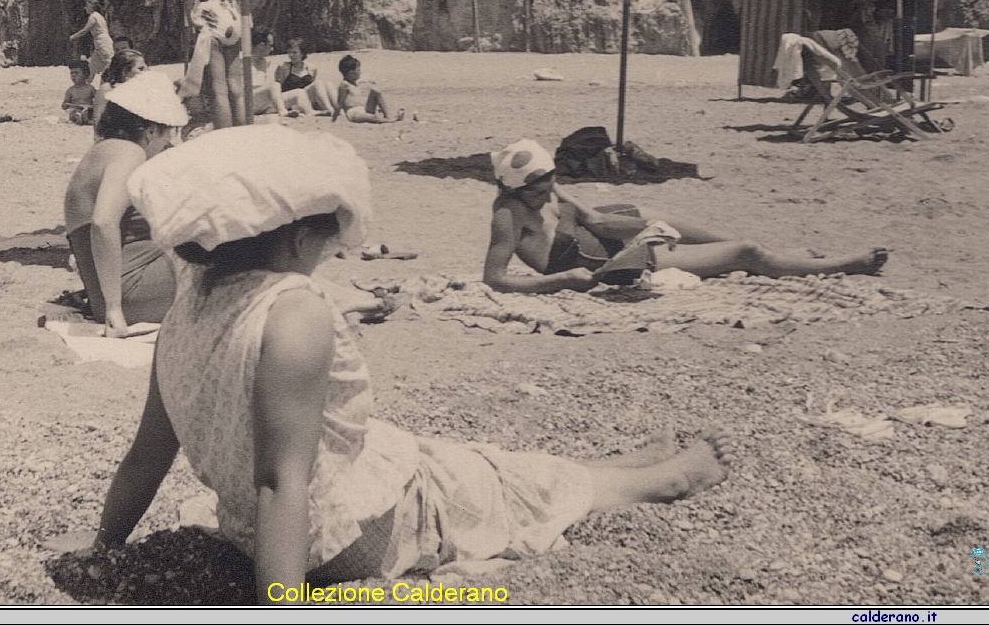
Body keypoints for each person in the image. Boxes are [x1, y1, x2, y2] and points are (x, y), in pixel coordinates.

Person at [87, 125, 732, 602]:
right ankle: (655, 482)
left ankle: (598, 469)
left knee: (460, 460)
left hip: (266, 525)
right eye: (331, 230)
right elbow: (281, 483)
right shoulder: (293, 315)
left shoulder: (190, 305)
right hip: (345, 536)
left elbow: (149, 450)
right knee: (486, 485)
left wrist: (105, 550)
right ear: (297, 231)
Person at [483, 139, 889, 295]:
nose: (547, 188)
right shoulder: (508, 215)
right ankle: (845, 265)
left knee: (670, 222)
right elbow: (494, 278)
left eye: (550, 179)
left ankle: (789, 257)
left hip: (602, 235)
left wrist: (648, 226)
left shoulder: (546, 185)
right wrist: (558, 282)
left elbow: (592, 217)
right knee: (746, 252)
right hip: (601, 262)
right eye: (537, 185)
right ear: (515, 188)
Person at [64, 70, 188, 337]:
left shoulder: (104, 152)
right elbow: (103, 221)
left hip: (119, 292)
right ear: (151, 130)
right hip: (133, 292)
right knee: (242, 257)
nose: (168, 143)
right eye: (168, 133)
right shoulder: (129, 153)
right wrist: (114, 309)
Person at [250, 35, 312, 119]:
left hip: (263, 101)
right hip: (249, 101)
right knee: (274, 85)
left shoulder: (265, 62)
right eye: (270, 45)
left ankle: (310, 113)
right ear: (261, 45)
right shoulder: (242, 59)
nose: (272, 49)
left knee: (299, 92)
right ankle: (283, 112)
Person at [275, 38, 336, 117]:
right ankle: (329, 110)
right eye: (289, 52)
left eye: (294, 52)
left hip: (307, 101)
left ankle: (338, 108)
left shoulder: (311, 68)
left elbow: (314, 90)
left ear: (302, 53)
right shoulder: (283, 67)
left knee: (327, 84)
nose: (291, 55)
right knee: (317, 83)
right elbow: (277, 90)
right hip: (293, 101)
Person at [92, 48, 149, 133]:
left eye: (147, 68)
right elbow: (98, 123)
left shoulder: (142, 92)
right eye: (141, 69)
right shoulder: (107, 90)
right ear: (125, 72)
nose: (147, 72)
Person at [336, 55, 404, 124]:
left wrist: (367, 81)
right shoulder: (344, 85)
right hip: (353, 113)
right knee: (373, 117)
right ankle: (390, 120)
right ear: (351, 73)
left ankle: (387, 116)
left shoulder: (355, 82)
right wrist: (335, 117)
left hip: (363, 109)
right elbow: (339, 103)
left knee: (376, 91)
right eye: (358, 70)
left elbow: (372, 81)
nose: (360, 72)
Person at [70, 0, 115, 85]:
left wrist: (74, 36)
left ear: (91, 7)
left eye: (86, 6)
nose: (85, 8)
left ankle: (110, 81)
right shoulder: (98, 16)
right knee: (92, 65)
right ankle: (86, 85)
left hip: (102, 42)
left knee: (109, 61)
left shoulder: (93, 16)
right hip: (99, 42)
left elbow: (86, 30)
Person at [62, 60, 97, 126]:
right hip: (75, 109)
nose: (73, 75)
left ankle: (85, 118)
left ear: (85, 75)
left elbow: (98, 99)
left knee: (89, 112)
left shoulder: (90, 88)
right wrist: (66, 105)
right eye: (71, 73)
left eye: (76, 73)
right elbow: (64, 104)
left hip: (87, 108)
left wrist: (92, 106)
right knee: (74, 112)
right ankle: (80, 118)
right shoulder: (70, 90)